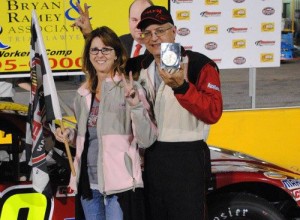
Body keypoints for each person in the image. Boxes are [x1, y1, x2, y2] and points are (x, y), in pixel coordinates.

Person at [125, 6, 223, 220]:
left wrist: (182, 88)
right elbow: (105, 61)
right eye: (148, 33)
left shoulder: (199, 65)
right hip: (151, 159)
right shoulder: (140, 65)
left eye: (160, 30)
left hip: (186, 158)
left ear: (174, 31)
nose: (154, 38)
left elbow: (213, 112)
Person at [54, 26, 157, 220]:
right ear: (88, 55)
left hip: (120, 185)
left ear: (117, 55)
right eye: (94, 50)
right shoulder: (82, 93)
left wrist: (135, 106)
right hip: (88, 184)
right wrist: (70, 136)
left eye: (106, 49)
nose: (99, 54)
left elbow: (146, 140)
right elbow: (87, 137)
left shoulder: (131, 89)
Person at [72, 0, 153, 57]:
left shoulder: (161, 46)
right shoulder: (120, 42)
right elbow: (101, 58)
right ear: (129, 20)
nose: (139, 25)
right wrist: (88, 34)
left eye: (143, 20)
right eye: (134, 20)